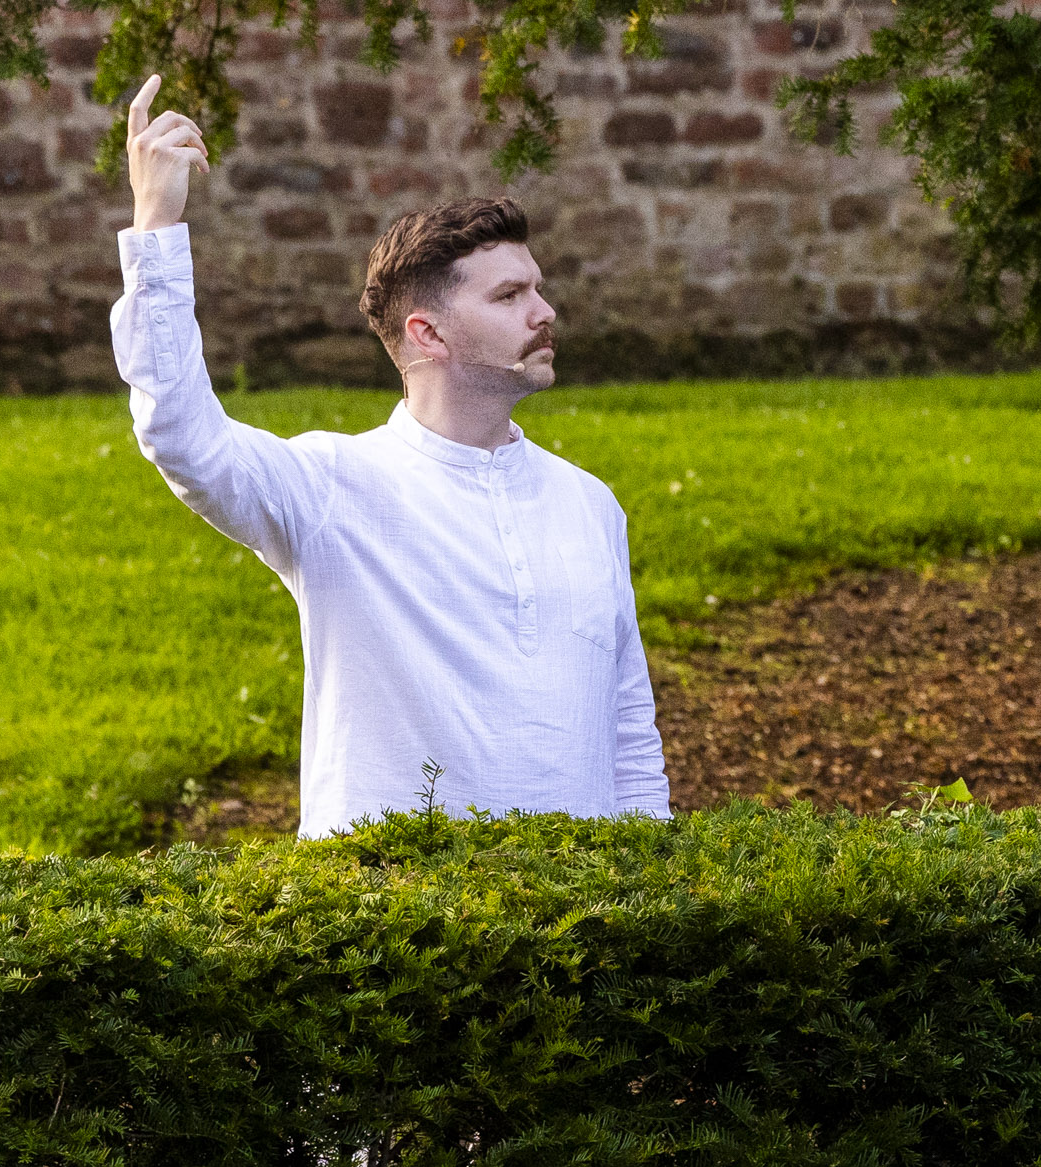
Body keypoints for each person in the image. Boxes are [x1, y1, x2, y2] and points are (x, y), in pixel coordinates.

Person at [110, 76, 670, 838]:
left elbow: (630, 733)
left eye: (537, 289)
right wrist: (155, 229)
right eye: (509, 297)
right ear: (427, 334)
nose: (545, 312)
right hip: (389, 934)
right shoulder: (330, 488)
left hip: (581, 938)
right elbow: (181, 435)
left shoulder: (589, 503)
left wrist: (654, 887)